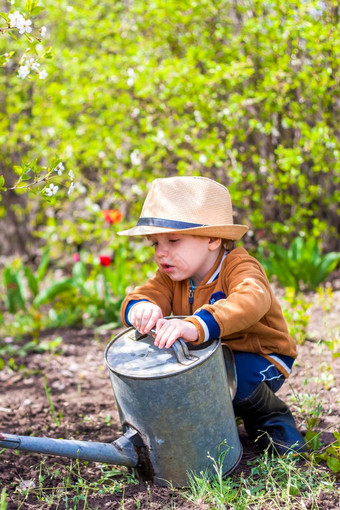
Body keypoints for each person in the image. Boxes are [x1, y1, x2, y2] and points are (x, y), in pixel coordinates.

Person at [118, 176, 306, 455]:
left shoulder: (238, 266)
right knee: (188, 386)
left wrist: (199, 324)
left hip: (260, 355)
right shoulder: (171, 276)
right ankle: (203, 433)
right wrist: (141, 307)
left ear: (213, 239)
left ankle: (274, 426)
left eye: (173, 240)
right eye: (154, 244)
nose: (161, 252)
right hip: (211, 361)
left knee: (236, 381)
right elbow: (145, 293)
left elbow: (252, 299)